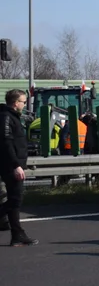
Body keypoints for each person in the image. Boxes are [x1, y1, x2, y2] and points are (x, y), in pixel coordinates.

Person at [1, 89, 36, 246]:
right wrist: (16, 165)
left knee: (15, 200)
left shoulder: (13, 117)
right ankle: (17, 233)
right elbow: (6, 142)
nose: (24, 104)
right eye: (23, 101)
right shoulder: (6, 117)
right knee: (15, 199)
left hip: (16, 164)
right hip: (11, 165)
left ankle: (17, 235)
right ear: (16, 103)